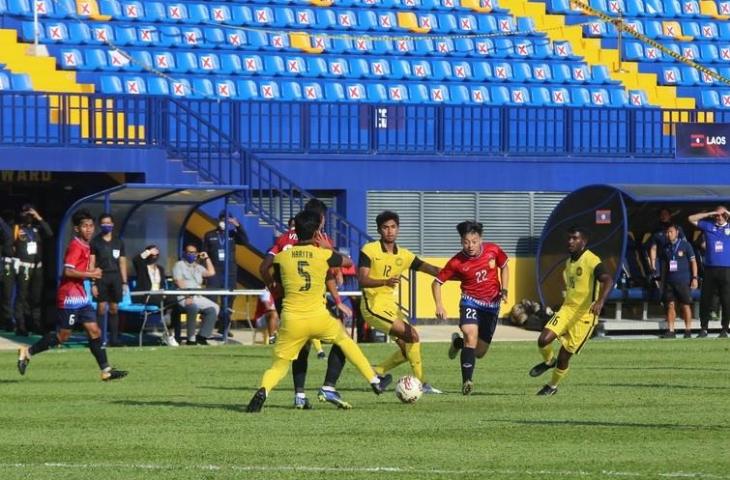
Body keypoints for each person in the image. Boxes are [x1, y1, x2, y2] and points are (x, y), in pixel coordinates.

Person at [246, 210, 387, 413]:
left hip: (292, 318)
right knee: (345, 341)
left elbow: (271, 275)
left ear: (295, 229)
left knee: (279, 366)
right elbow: (348, 262)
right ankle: (374, 380)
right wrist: (329, 248)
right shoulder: (323, 254)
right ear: (315, 233)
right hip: (319, 317)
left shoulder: (283, 257)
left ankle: (264, 390)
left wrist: (272, 286)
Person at [331, 210, 442, 396]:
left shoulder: (404, 255)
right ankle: (423, 384)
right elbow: (362, 279)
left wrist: (459, 274)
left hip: (390, 306)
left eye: (393, 227)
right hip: (373, 306)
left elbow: (428, 268)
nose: (389, 231)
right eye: (385, 228)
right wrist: (384, 282)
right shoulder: (370, 250)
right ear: (379, 230)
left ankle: (378, 371)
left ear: (398, 229)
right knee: (412, 336)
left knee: (409, 348)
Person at [259, 198, 352, 409]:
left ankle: (299, 395)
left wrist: (275, 289)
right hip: (312, 300)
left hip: (289, 301)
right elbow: (332, 269)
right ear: (321, 219)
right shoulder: (319, 239)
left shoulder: (284, 238)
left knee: (301, 346)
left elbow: (264, 267)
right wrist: (337, 297)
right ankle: (329, 386)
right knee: (341, 338)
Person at [16, 209, 127, 381]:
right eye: (85, 226)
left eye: (91, 226)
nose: (89, 229)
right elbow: (68, 271)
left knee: (94, 330)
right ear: (77, 229)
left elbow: (81, 269)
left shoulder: (86, 245)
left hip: (80, 295)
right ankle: (27, 352)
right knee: (62, 336)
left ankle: (106, 370)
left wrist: (92, 274)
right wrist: (92, 275)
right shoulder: (75, 245)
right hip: (68, 296)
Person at [528, 226, 613, 396]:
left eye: (575, 238)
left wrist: (600, 301)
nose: (570, 241)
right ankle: (548, 361)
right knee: (543, 340)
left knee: (564, 356)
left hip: (585, 316)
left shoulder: (592, 260)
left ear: (584, 241)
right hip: (567, 310)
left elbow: (608, 280)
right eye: (569, 238)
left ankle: (552, 386)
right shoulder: (569, 262)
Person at [432, 221, 509, 395]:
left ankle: (458, 343)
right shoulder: (456, 262)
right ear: (461, 241)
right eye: (466, 242)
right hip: (470, 301)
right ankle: (467, 381)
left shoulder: (493, 250)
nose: (470, 246)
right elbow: (437, 283)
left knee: (479, 352)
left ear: (480, 239)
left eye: (474, 241)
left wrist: (504, 289)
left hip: (492, 305)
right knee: (470, 335)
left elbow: (504, 266)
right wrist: (439, 305)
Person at [203, 210, 248, 336]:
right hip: (214, 272)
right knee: (211, 299)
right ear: (219, 220)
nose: (224, 222)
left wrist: (238, 225)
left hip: (230, 272)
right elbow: (204, 253)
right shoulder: (209, 234)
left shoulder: (233, 234)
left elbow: (245, 241)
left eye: (227, 220)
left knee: (228, 301)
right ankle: (207, 327)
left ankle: (224, 328)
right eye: (223, 220)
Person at [689, 206, 730, 338]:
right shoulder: (709, 226)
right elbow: (691, 218)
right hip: (710, 269)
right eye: (717, 215)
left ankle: (724, 328)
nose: (719, 217)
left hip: (726, 269)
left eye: (722, 215)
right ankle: (704, 328)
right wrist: (710, 213)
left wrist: (727, 213)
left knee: (726, 300)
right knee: (705, 299)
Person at [13, 204, 53, 336]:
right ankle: (21, 325)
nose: (28, 216)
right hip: (24, 266)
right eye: (25, 214)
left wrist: (38, 217)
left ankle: (35, 324)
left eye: (30, 214)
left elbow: (49, 233)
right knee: (22, 296)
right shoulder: (17, 229)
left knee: (36, 297)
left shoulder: (38, 229)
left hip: (37, 267)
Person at [89, 213, 128, 346]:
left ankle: (114, 339)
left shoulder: (119, 241)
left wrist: (124, 282)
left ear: (113, 224)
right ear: (100, 225)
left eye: (109, 223)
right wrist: (92, 282)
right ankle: (99, 338)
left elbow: (122, 262)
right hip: (101, 277)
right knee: (101, 307)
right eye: (104, 223)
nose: (107, 225)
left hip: (116, 277)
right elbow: (92, 263)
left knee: (114, 308)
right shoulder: (95, 242)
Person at [172, 243, 219, 345]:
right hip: (183, 295)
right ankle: (191, 339)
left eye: (194, 253)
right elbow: (179, 282)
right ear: (185, 253)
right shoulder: (179, 265)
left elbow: (211, 273)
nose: (191, 254)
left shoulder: (198, 267)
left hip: (197, 296)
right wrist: (187, 296)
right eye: (189, 252)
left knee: (214, 308)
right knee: (193, 308)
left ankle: (202, 336)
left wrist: (207, 258)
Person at [133, 244, 178, 347]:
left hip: (159, 295)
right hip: (146, 296)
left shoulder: (160, 269)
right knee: (167, 302)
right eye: (152, 253)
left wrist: (163, 293)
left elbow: (161, 285)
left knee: (176, 303)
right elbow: (136, 260)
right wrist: (148, 251)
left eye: (156, 253)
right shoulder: (142, 267)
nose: (154, 255)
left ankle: (169, 332)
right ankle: (167, 324)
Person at [659, 224, 698, 339]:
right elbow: (664, 266)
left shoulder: (686, 245)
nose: (668, 234)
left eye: (670, 232)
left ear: (677, 232)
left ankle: (688, 330)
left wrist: (694, 278)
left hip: (683, 281)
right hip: (670, 281)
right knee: (670, 305)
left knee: (685, 305)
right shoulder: (665, 247)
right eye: (667, 232)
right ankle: (671, 330)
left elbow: (693, 262)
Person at [647, 207, 686, 278]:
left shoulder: (677, 228)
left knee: (674, 276)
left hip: (674, 259)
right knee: (659, 278)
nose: (663, 216)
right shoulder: (656, 231)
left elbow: (684, 245)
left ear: (670, 215)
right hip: (661, 259)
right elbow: (653, 248)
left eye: (665, 214)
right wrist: (653, 264)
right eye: (661, 214)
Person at [0, 211, 14, 332]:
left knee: (6, 295)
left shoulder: (6, 231)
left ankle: (7, 321)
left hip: (5, 265)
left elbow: (8, 235)